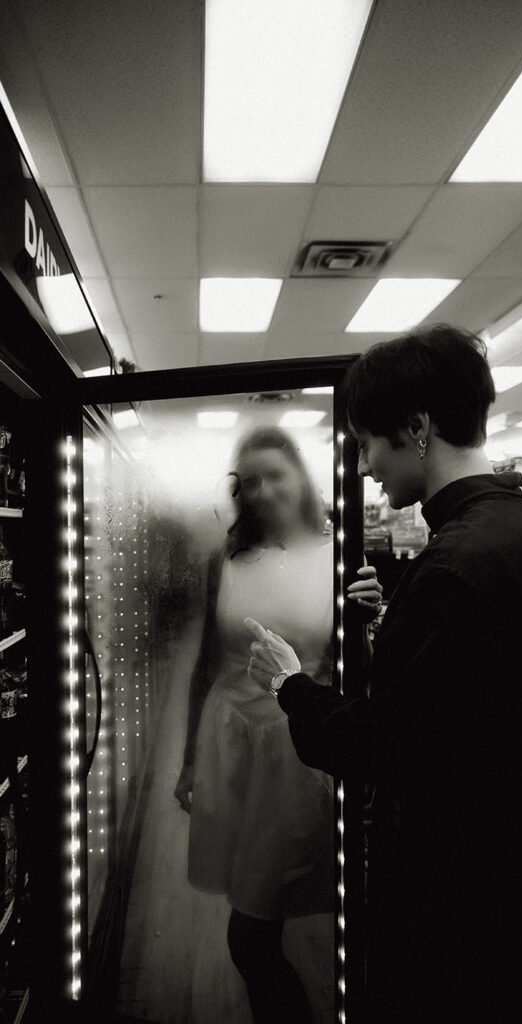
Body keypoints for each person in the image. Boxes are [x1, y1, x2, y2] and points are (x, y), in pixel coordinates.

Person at [247, 324, 522, 1024]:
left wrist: (292, 685)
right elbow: (477, 710)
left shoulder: (454, 565)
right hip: (516, 889)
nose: (363, 467)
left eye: (367, 443)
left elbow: (389, 748)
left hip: (454, 906)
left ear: (417, 427)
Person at [174, 425, 382, 1024]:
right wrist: (190, 756)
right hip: (228, 741)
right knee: (253, 905)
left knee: (254, 927)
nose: (263, 490)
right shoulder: (229, 558)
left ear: (302, 480)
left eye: (276, 475)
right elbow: (207, 663)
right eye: (251, 480)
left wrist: (366, 618)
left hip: (296, 744)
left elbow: (355, 672)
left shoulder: (340, 554)